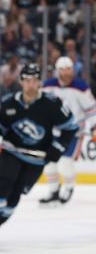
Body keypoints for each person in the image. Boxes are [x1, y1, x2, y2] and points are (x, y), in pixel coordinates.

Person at [0, 63, 78, 244]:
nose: (30, 84)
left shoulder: (52, 104)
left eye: (34, 80)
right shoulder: (10, 102)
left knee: (15, 194)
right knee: (3, 186)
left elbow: (70, 128)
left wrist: (57, 148)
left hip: (36, 158)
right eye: (27, 80)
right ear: (21, 81)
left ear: (39, 82)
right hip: (11, 151)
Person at [38, 56, 96, 205]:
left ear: (73, 70)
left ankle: (68, 187)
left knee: (65, 161)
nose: (66, 72)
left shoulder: (81, 87)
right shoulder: (47, 86)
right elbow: (40, 107)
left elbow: (92, 111)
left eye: (69, 69)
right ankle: (53, 191)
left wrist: (94, 127)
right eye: (63, 69)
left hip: (74, 132)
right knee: (49, 162)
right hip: (53, 132)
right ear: (57, 71)